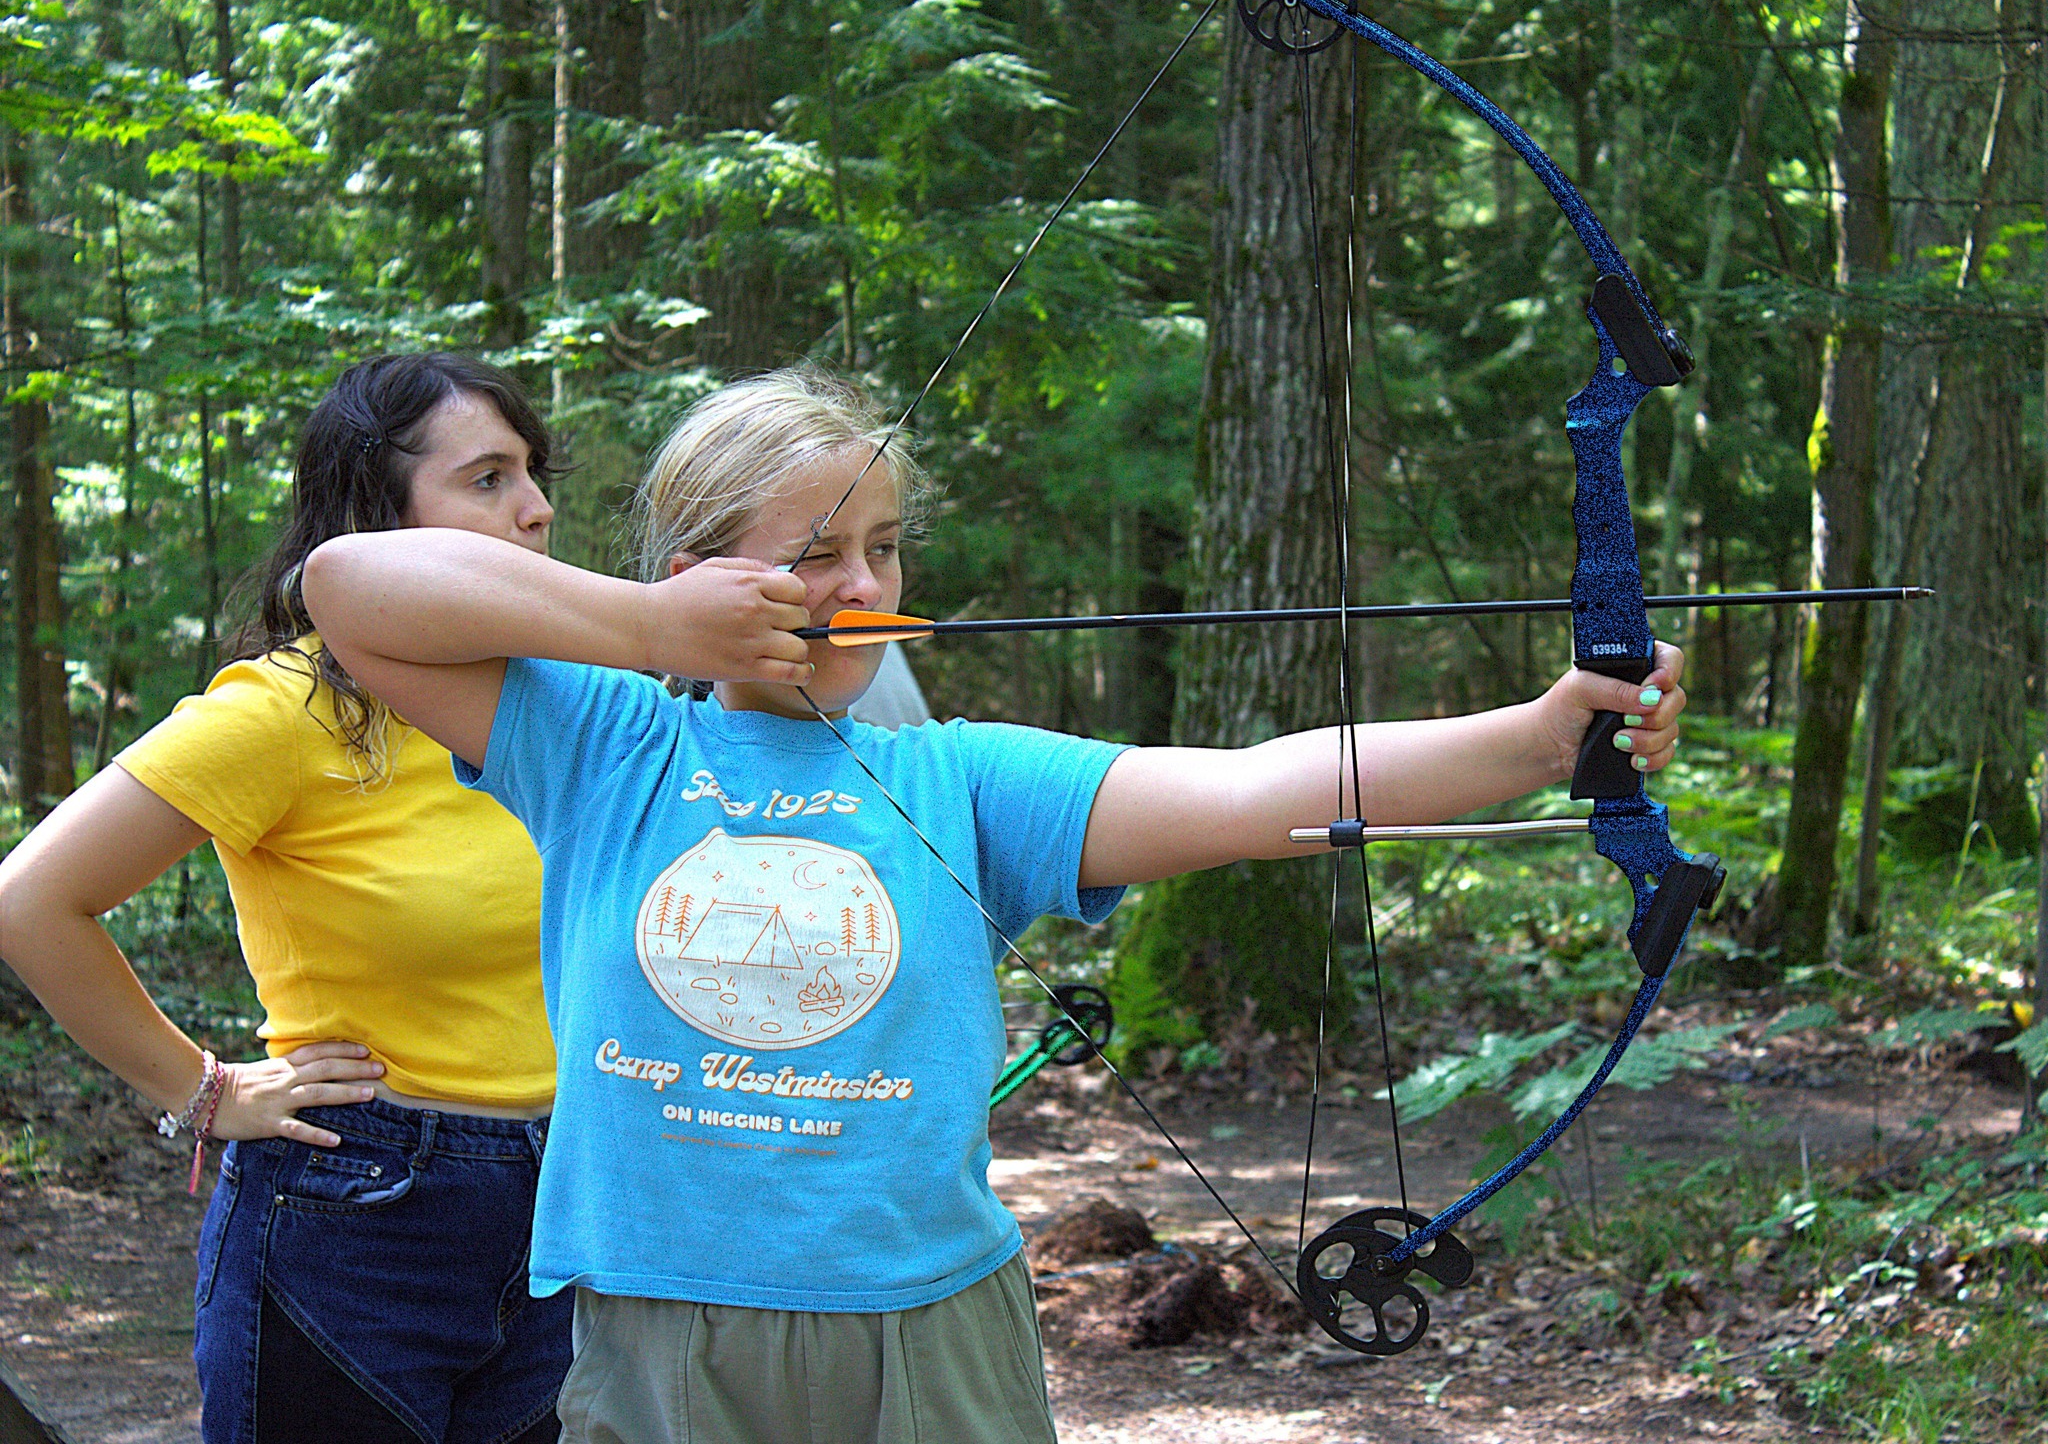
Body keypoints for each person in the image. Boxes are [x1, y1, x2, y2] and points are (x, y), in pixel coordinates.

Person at [297, 366, 1687, 1444]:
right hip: (669, 1323)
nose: (862, 586)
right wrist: (647, 634)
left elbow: (1258, 786)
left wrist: (1538, 736)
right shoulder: (605, 746)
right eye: (818, 552)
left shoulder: (961, 781)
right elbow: (346, 587)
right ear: (703, 577)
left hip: (930, 1323)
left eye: (885, 551)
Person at [0, 354, 765, 1444]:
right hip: (356, 1210)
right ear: (378, 507)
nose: (538, 507)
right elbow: (30, 899)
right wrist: (203, 1091)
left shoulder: (577, 715)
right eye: (488, 478)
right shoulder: (288, 711)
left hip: (576, 1212)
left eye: (533, 472)